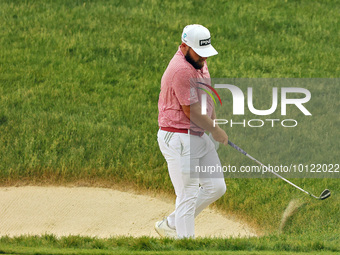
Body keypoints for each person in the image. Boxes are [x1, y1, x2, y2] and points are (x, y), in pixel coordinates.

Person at [155, 24, 229, 239]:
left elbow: (206, 98)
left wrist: (212, 126)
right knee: (187, 194)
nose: (204, 58)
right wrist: (215, 130)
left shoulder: (199, 62)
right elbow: (191, 110)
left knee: (216, 187)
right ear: (184, 46)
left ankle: (170, 223)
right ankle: (186, 245)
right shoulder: (180, 70)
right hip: (177, 135)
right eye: (200, 53)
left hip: (197, 134)